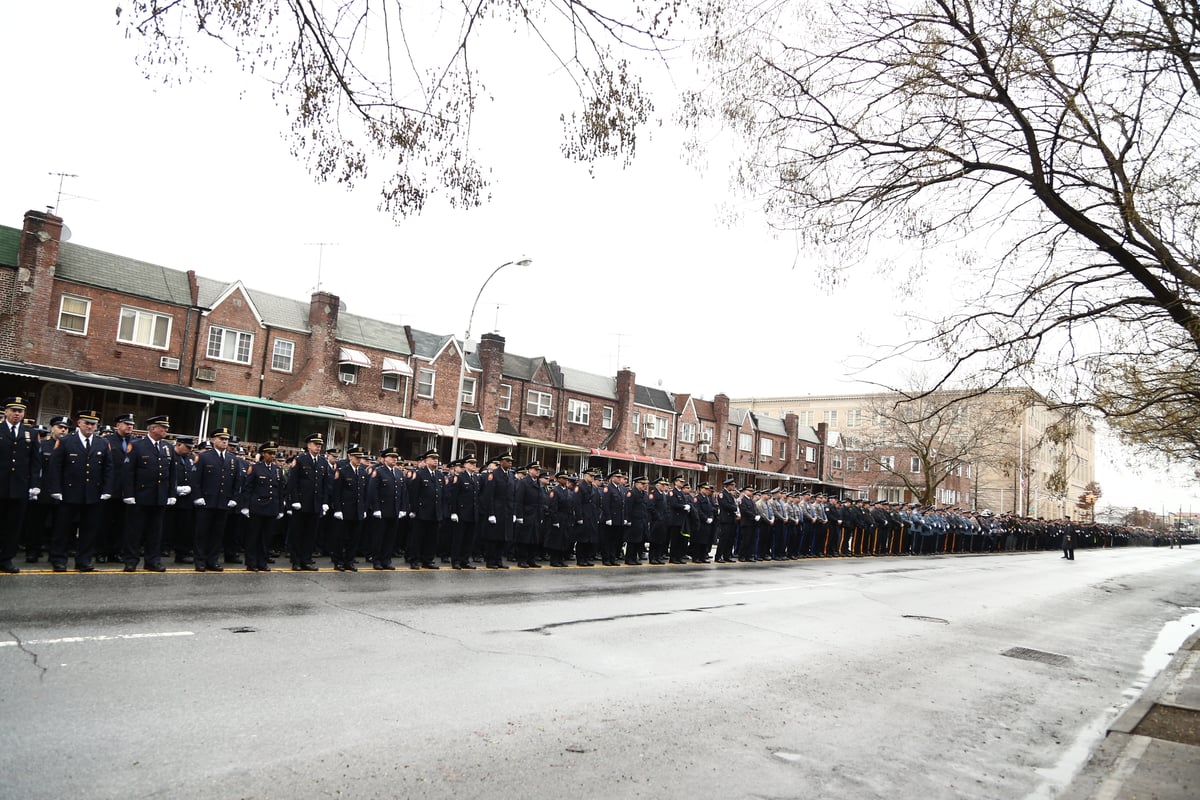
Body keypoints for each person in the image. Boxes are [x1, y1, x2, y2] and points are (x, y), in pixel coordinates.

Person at [45, 409, 114, 572]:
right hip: (69, 492)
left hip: (93, 493)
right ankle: (59, 559)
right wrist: (55, 488)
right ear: (79, 423)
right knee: (63, 528)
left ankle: (84, 560)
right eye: (87, 423)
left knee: (89, 530)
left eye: (93, 424)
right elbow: (55, 466)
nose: (90, 427)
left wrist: (107, 489)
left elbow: (108, 468)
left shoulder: (102, 443)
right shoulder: (67, 441)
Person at [120, 415, 180, 572]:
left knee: (155, 532)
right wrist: (128, 494)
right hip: (140, 496)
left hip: (159, 497)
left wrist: (172, 494)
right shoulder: (137, 445)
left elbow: (172, 473)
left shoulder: (167, 447)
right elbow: (128, 472)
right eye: (163, 427)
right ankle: (131, 560)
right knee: (135, 531)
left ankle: (152, 560)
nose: (166, 430)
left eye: (166, 427)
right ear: (153, 428)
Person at [192, 427, 245, 572]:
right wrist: (197, 497)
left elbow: (237, 481)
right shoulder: (203, 457)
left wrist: (234, 498)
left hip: (223, 502)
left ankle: (213, 560)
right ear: (213, 440)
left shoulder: (232, 459)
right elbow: (195, 480)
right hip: (206, 501)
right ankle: (200, 561)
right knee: (202, 533)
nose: (224, 441)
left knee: (217, 534)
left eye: (226, 439)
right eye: (221, 439)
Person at [0, 396, 41, 573]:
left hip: (19, 487)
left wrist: (34, 484)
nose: (17, 414)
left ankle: (6, 559)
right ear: (6, 412)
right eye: (14, 410)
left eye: (20, 411)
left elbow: (35, 462)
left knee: (13, 526)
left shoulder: (30, 433)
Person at [285, 432, 331, 570]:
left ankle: (306, 559)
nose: (318, 447)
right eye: (315, 444)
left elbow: (325, 484)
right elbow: (292, 482)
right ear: (308, 445)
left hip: (315, 503)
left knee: (311, 534)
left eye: (320, 445)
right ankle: (296, 560)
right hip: (301, 503)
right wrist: (294, 500)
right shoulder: (300, 460)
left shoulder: (323, 462)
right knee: (298, 532)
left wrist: (324, 502)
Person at [238, 441, 286, 571]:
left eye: (274, 453)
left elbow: (280, 490)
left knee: (266, 537)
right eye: (270, 453)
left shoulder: (277, 470)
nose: (273, 456)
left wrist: (280, 508)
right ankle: (251, 562)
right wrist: (245, 506)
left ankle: (262, 562)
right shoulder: (255, 468)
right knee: (253, 537)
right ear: (263, 454)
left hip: (271, 507)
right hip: (257, 507)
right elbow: (248, 488)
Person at [367, 446, 408, 570]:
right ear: (384, 459)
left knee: (390, 537)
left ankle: (386, 559)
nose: (394, 459)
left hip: (394, 510)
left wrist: (402, 508)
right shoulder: (379, 471)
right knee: (379, 537)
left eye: (396, 457)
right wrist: (376, 508)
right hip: (382, 510)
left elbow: (403, 492)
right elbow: (372, 491)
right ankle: (377, 560)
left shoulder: (399, 472)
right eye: (391, 457)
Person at [330, 444, 370, 571]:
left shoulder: (363, 472)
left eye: (360, 457)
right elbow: (336, 492)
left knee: (354, 538)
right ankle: (338, 561)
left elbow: (364, 493)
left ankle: (349, 560)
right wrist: (337, 509)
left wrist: (364, 509)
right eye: (356, 457)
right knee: (340, 538)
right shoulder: (342, 471)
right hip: (344, 510)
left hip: (357, 510)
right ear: (350, 456)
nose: (359, 460)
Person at [408, 449, 444, 569]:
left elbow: (441, 494)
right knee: (418, 537)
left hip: (435, 512)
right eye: (433, 458)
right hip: (422, 511)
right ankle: (414, 559)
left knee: (432, 538)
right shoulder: (420, 474)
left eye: (437, 458)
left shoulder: (439, 475)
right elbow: (414, 493)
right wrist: (413, 510)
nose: (435, 460)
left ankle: (428, 559)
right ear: (426, 460)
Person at [479, 453, 515, 568]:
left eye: (511, 461)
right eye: (507, 461)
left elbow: (512, 496)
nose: (510, 462)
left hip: (507, 511)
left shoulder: (510, 476)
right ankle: (490, 561)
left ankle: (498, 560)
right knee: (493, 538)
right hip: (496, 511)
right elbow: (489, 496)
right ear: (501, 462)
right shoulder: (494, 475)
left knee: (503, 538)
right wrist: (491, 513)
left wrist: (513, 512)